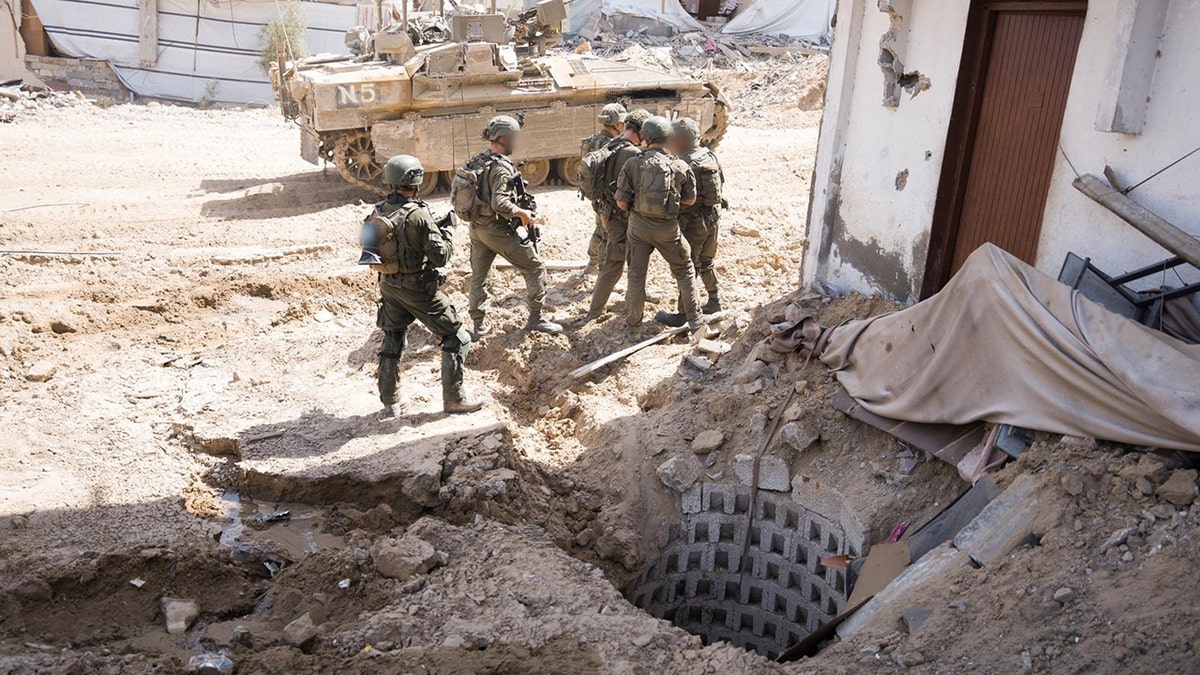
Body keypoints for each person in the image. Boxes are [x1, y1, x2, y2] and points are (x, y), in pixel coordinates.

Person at [367, 154, 484, 417]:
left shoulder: (376, 210)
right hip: (417, 289)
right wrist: (447, 233)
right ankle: (454, 400)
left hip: (389, 285)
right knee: (456, 337)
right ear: (415, 181)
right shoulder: (418, 215)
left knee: (393, 337)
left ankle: (390, 402)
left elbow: (372, 251)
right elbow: (440, 257)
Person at [462, 115, 563, 337]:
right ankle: (536, 319)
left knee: (479, 276)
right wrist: (521, 212)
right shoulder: (501, 168)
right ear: (505, 138)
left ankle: (478, 326)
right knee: (535, 267)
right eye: (514, 137)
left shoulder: (478, 160)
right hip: (495, 230)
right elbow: (500, 203)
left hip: (477, 228)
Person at [614, 115, 707, 339]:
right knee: (685, 271)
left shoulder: (633, 163)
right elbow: (690, 200)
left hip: (638, 229)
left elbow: (621, 202)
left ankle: (633, 330)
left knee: (636, 277)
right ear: (668, 138)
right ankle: (696, 325)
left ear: (645, 137)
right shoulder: (680, 164)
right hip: (668, 229)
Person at [583, 109, 646, 322]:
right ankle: (630, 313)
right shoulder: (633, 154)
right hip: (624, 218)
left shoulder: (612, 145)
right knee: (628, 266)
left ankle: (594, 311)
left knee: (611, 264)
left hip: (607, 213)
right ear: (642, 132)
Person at [666, 117, 724, 319]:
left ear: (682, 140)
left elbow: (678, 197)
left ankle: (684, 314)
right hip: (713, 216)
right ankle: (715, 301)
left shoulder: (684, 163)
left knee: (687, 268)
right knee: (707, 262)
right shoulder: (709, 155)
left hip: (694, 222)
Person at [580, 103, 627, 276]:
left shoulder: (592, 141)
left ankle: (592, 264)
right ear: (619, 124)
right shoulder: (614, 146)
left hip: (595, 196)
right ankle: (601, 269)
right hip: (609, 198)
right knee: (608, 234)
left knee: (599, 229)